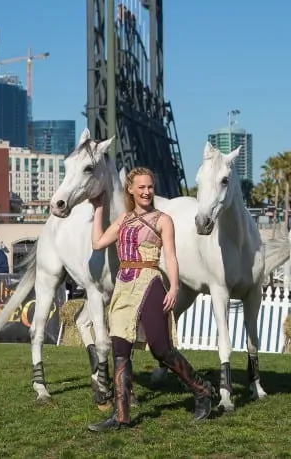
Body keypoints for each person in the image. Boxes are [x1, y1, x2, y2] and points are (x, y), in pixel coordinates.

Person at [87, 167, 214, 433]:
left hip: (150, 281)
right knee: (120, 351)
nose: (146, 192)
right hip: (123, 285)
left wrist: (174, 287)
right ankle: (121, 416)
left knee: (161, 349)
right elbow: (98, 243)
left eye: (150, 187)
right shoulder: (124, 219)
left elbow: (171, 256)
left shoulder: (162, 219)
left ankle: (202, 390)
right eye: (141, 187)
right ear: (130, 189)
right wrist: (98, 208)